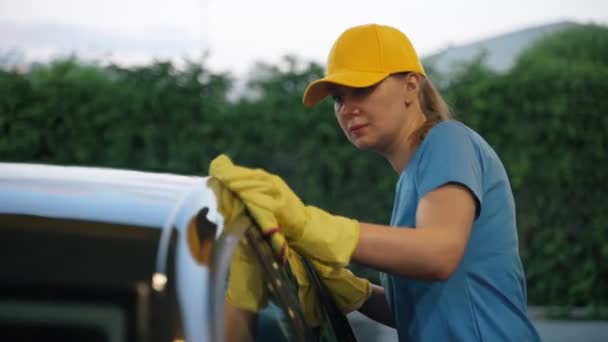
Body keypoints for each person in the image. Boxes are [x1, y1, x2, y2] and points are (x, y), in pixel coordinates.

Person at [212, 23, 541, 341]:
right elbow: (422, 313)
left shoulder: (448, 141)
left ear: (411, 86)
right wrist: (357, 292)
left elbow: (439, 254)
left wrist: (310, 227)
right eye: (338, 98)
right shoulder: (411, 180)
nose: (347, 109)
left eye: (362, 89)